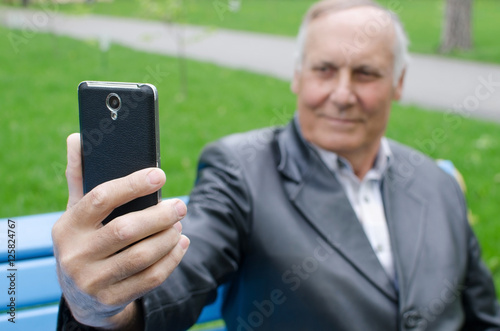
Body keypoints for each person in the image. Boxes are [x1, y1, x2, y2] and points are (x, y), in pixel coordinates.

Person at [53, 0, 500, 330]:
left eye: (365, 73)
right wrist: (102, 304)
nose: (342, 94)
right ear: (297, 75)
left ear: (398, 83)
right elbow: (176, 281)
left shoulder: (436, 182)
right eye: (325, 70)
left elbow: (483, 316)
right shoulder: (242, 172)